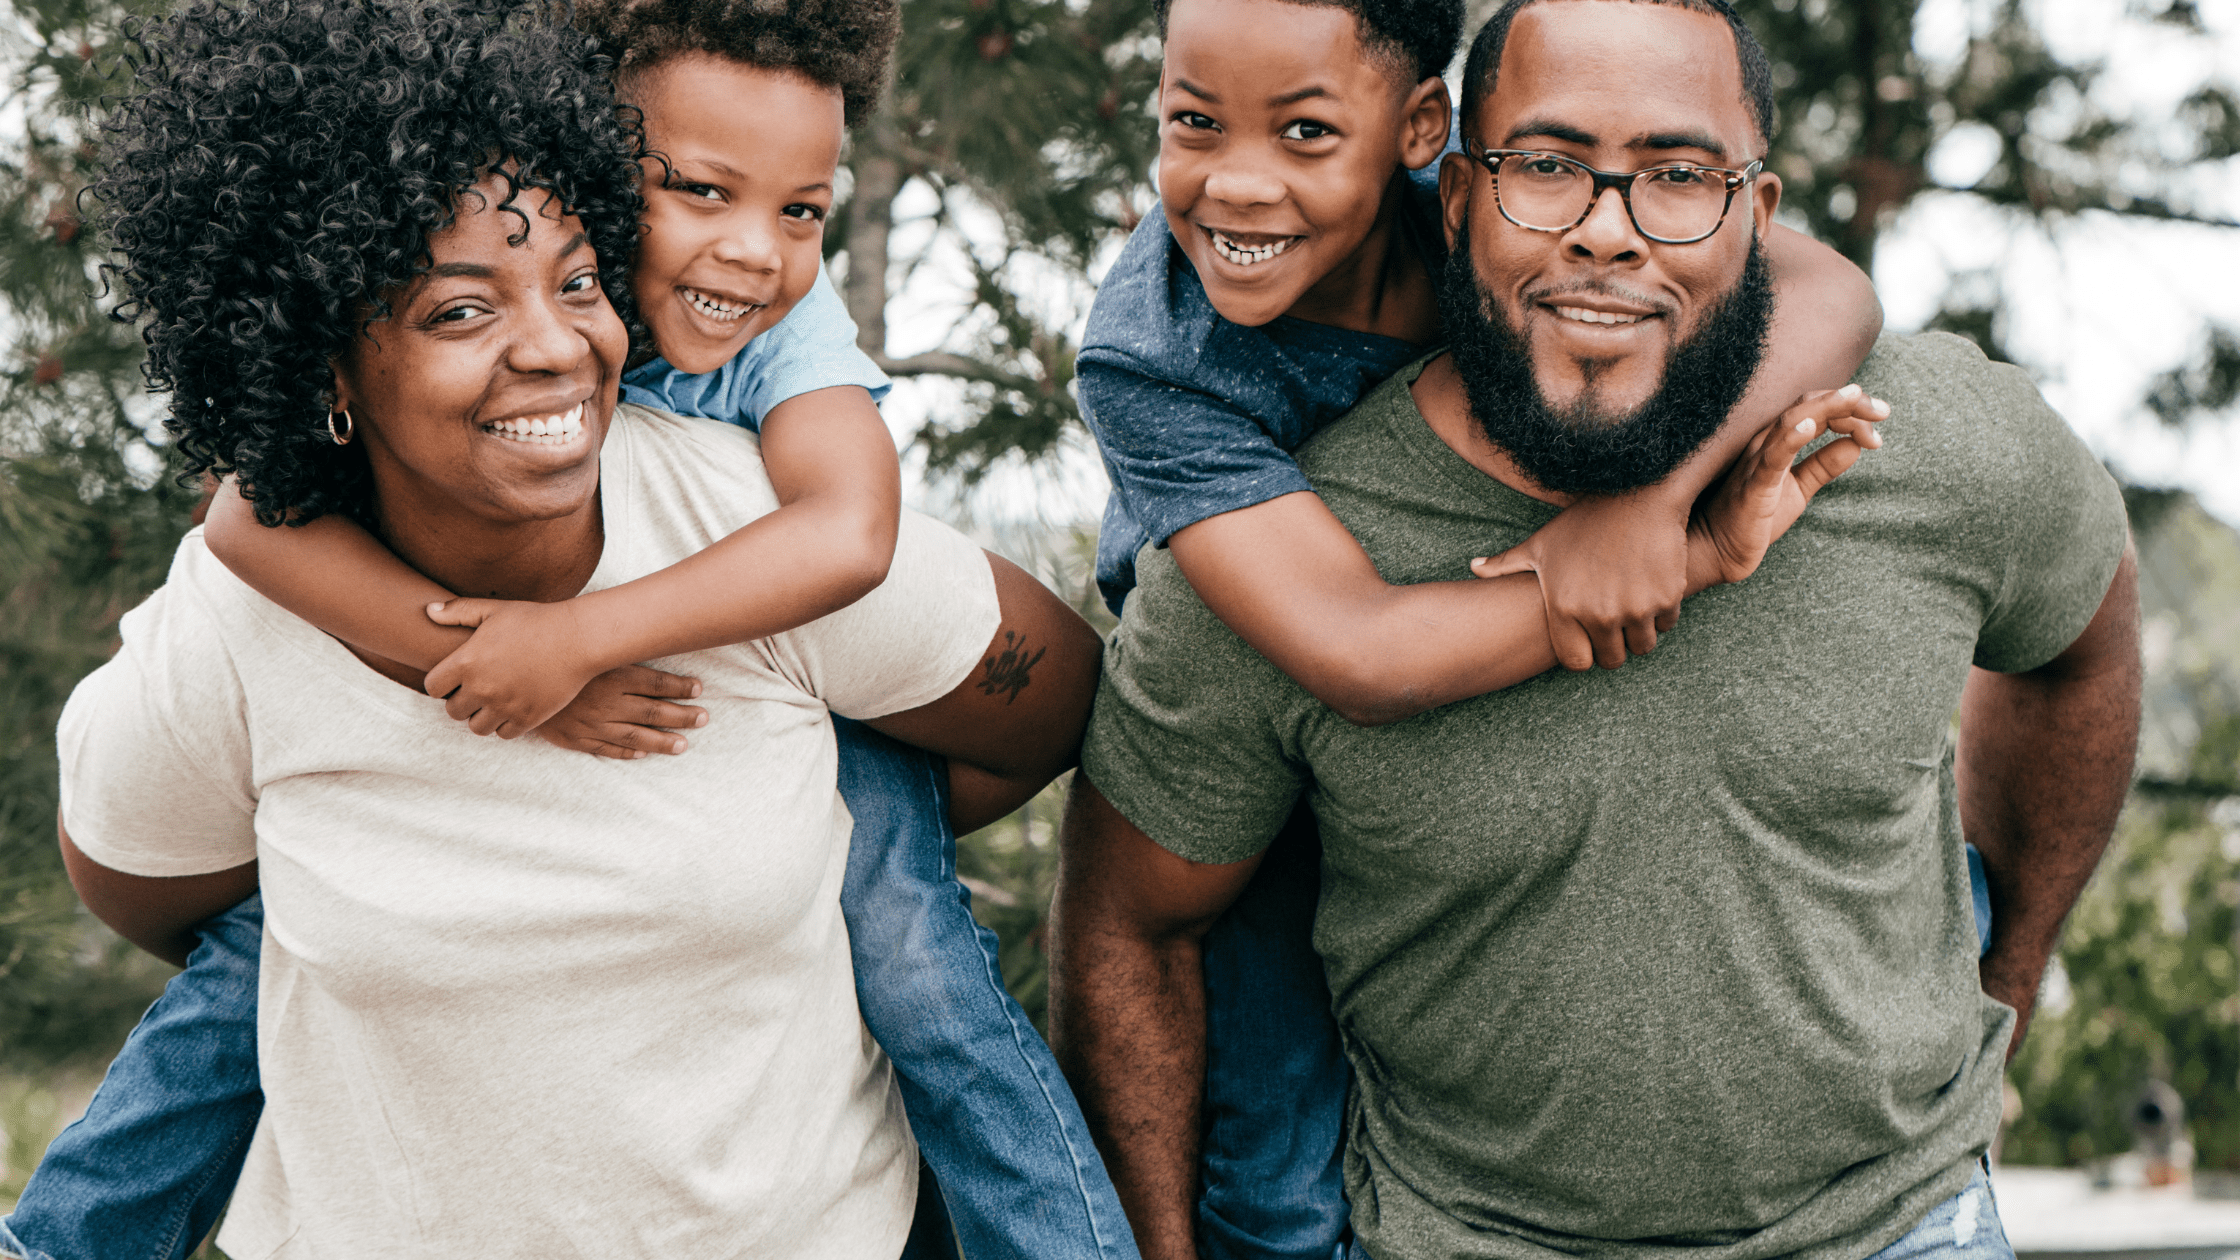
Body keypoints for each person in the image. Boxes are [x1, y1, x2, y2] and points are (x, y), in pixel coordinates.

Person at [1, 1, 1138, 1258]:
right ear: (325, 360)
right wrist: (465, 672)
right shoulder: (251, 604)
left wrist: (600, 657)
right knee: (252, 961)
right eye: (457, 311)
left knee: (925, 967)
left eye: (577, 282)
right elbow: (234, 547)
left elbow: (903, 583)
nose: (552, 344)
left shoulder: (750, 444)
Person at [1051, 2, 2141, 1259]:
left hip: (1907, 1224)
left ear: (1758, 212)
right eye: (1548, 168)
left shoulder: (1921, 435)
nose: (1606, 230)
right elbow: (1132, 919)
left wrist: (2003, 981)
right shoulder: (1253, 535)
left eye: (1678, 177)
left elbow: (2082, 637)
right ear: (1455, 191)